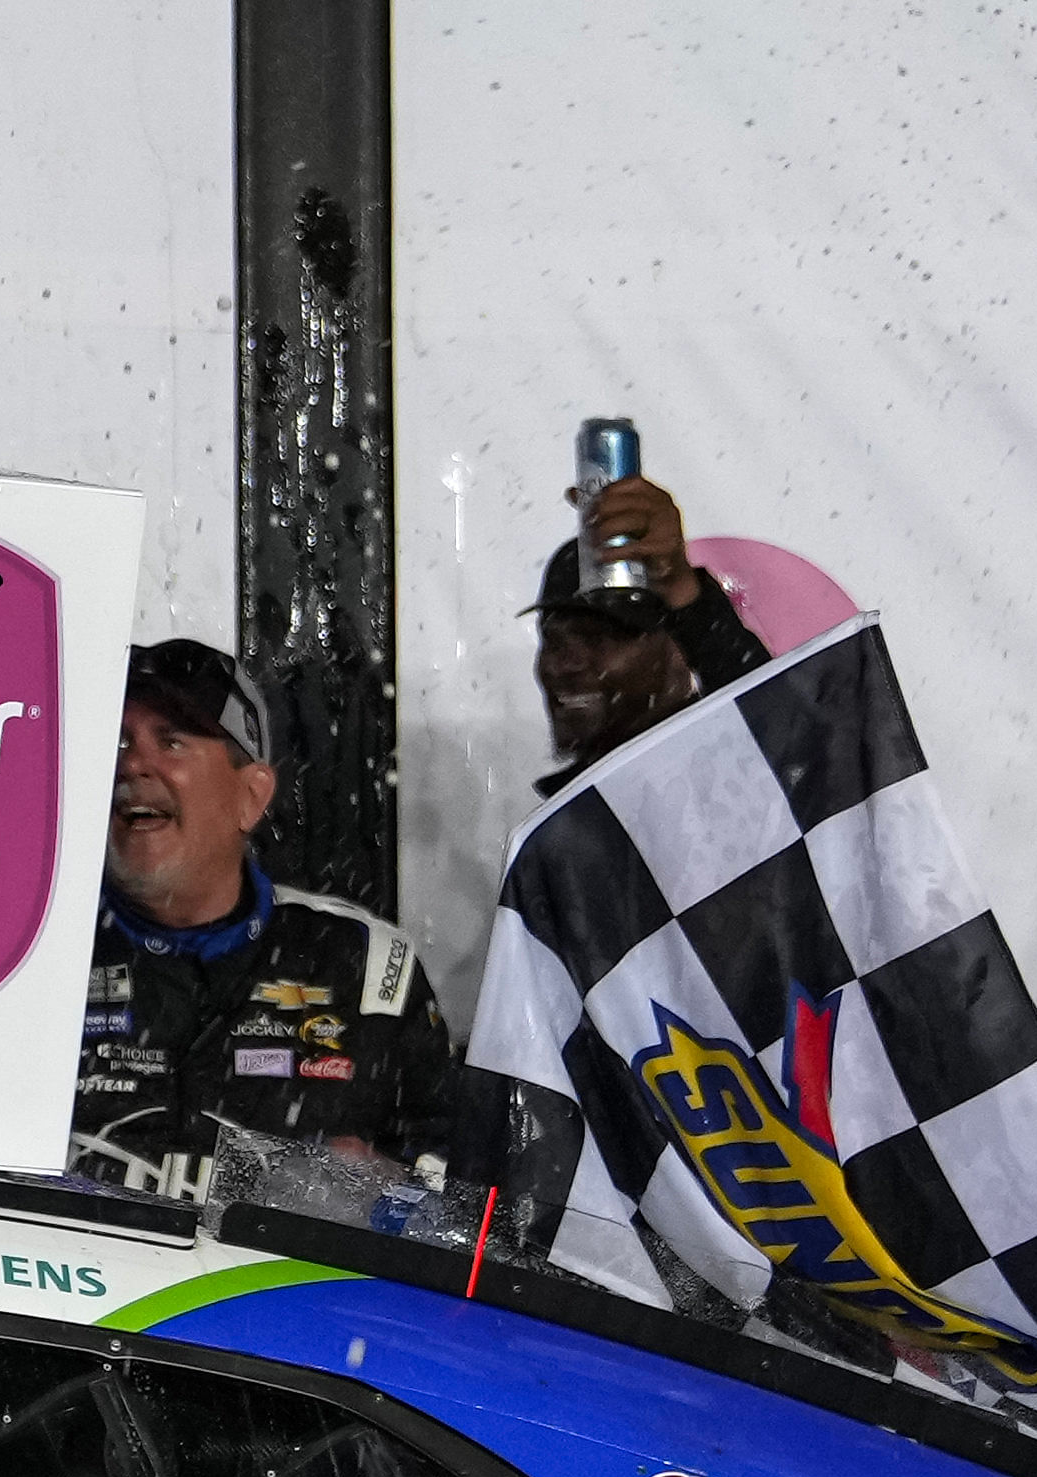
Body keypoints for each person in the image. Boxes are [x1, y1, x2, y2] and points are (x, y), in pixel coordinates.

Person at [75, 640, 450, 1192]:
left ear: (251, 796)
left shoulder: (368, 965)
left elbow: (459, 1191)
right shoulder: (32, 946)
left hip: (284, 1282)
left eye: (171, 741)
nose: (132, 763)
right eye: (118, 740)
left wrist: (382, 1189)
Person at [528, 465, 770, 784]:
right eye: (554, 641)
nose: (565, 664)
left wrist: (686, 595)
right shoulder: (567, 820)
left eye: (600, 638)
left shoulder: (739, 780)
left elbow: (790, 748)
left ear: (678, 651)